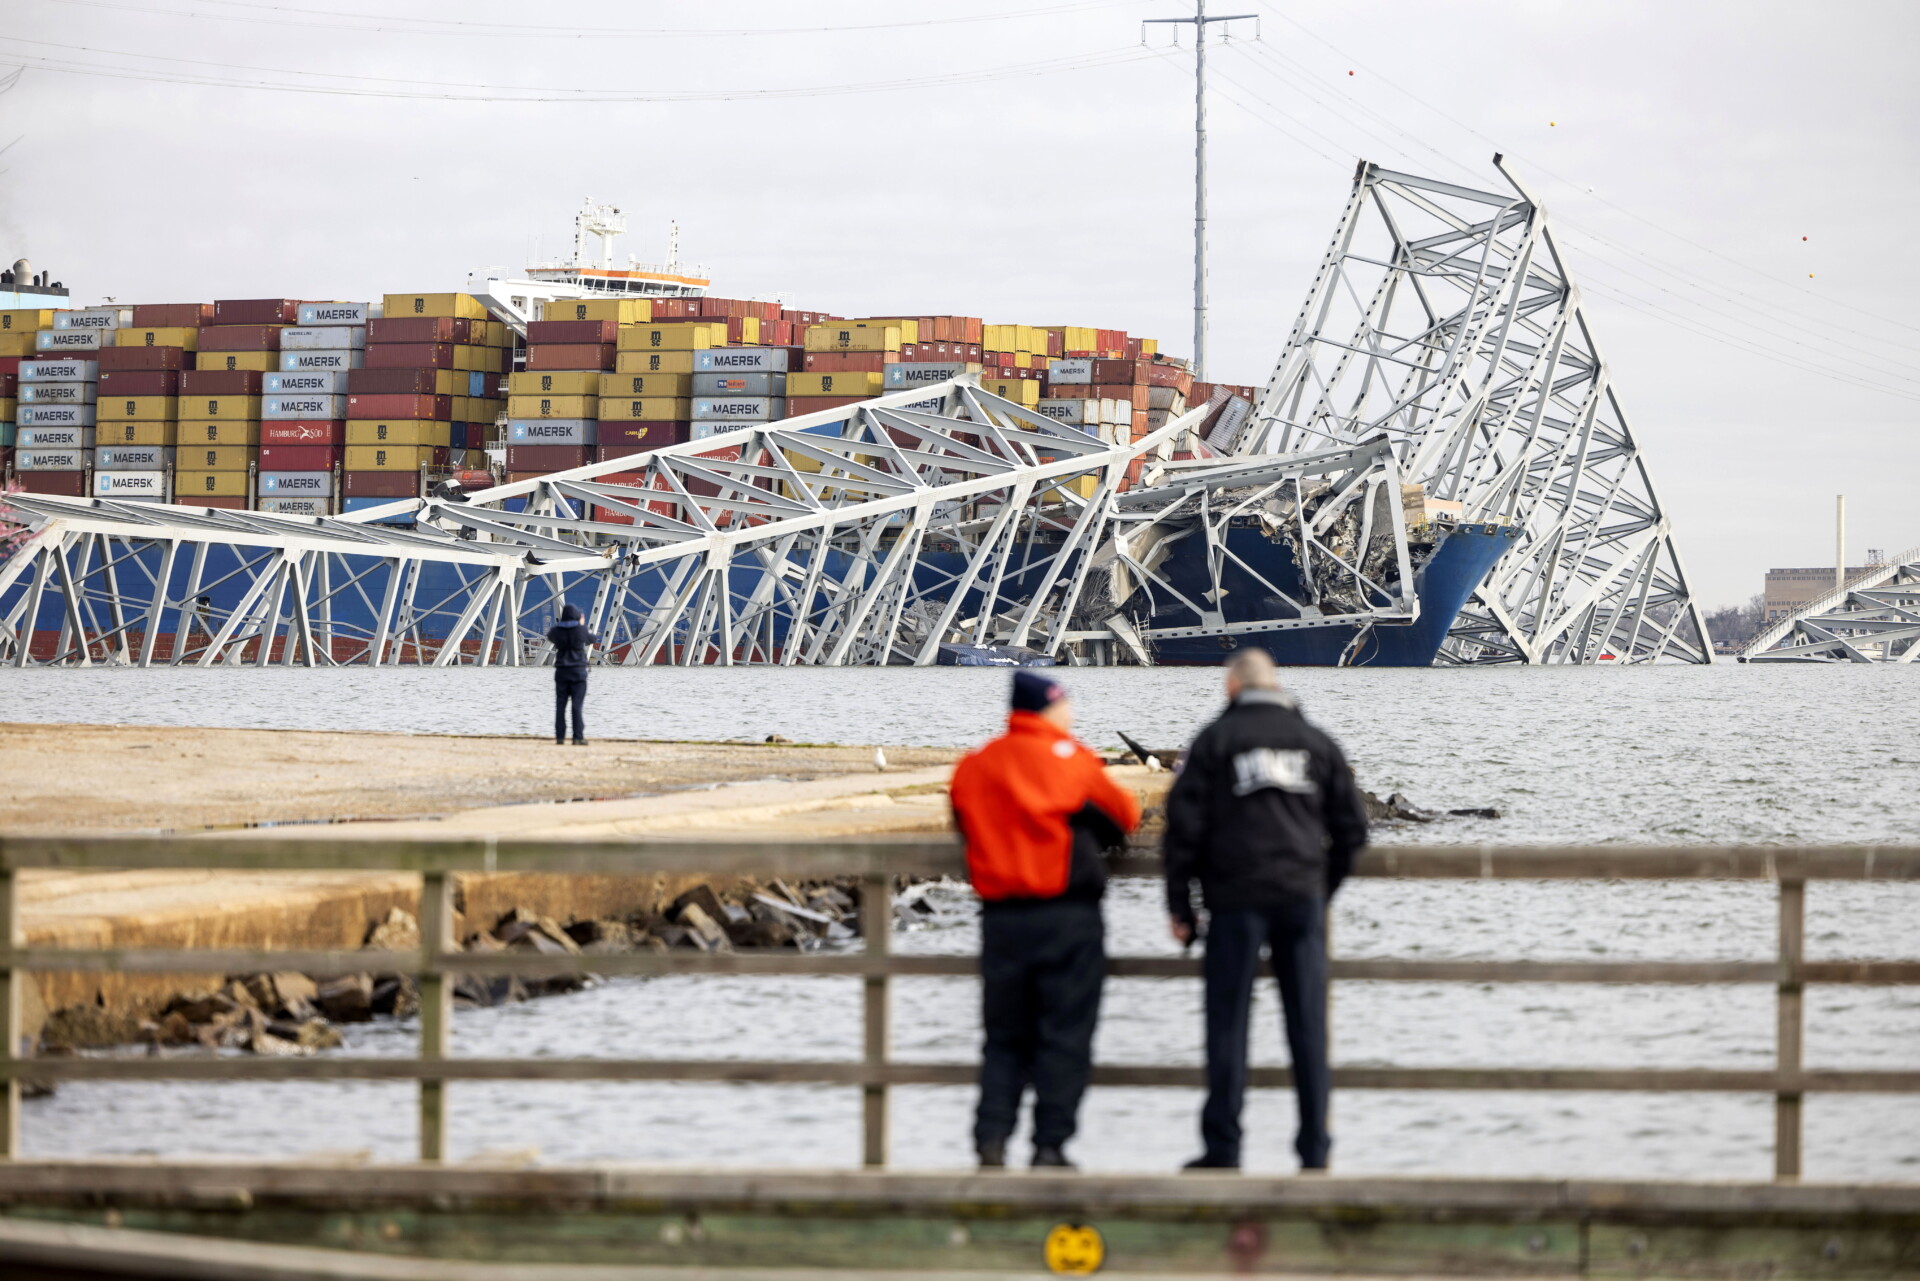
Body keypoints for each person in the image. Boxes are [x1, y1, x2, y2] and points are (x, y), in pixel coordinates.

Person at [1163, 648, 1368, 1172]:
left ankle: (1223, 1148)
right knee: (1307, 1028)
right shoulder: (1317, 743)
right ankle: (1314, 1151)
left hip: (1234, 901)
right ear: (1277, 687)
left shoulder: (1213, 742)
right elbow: (1352, 830)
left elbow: (1182, 831)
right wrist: (1324, 886)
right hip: (1301, 899)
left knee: (1228, 1026)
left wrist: (1180, 905)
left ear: (1231, 687)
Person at [949, 671, 1141, 1170]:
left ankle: (990, 1142)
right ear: (1051, 710)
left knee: (1004, 1038)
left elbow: (961, 820)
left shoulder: (975, 764)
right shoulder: (1070, 758)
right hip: (1067, 917)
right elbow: (1126, 813)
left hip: (1002, 921)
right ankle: (1049, 1146)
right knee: (1065, 1035)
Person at [546, 604, 597, 745]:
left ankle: (560, 737)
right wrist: (581, 624)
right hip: (578, 672)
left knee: (560, 705)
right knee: (577, 705)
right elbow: (592, 639)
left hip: (561, 672)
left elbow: (550, 637)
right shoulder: (581, 630)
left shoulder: (556, 630)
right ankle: (577, 737)